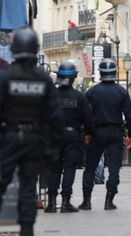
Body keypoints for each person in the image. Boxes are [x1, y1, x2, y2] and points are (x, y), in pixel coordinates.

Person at [0, 27, 65, 236]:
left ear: (13, 48)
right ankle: (26, 234)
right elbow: (55, 116)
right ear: (35, 50)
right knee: (27, 187)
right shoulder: (43, 79)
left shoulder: (4, 77)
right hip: (34, 140)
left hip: (8, 138)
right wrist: (55, 146)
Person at [79, 58, 131, 210]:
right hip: (116, 131)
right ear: (114, 72)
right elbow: (130, 115)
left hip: (97, 131)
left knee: (90, 166)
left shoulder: (92, 92)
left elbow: (85, 114)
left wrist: (87, 131)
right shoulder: (121, 92)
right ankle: (109, 200)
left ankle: (87, 200)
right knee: (114, 167)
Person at [44, 61, 92, 213]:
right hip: (72, 136)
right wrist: (89, 133)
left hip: (54, 135)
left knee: (54, 168)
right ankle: (65, 202)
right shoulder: (80, 97)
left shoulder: (51, 96)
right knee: (69, 169)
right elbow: (88, 119)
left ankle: (51, 202)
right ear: (74, 78)